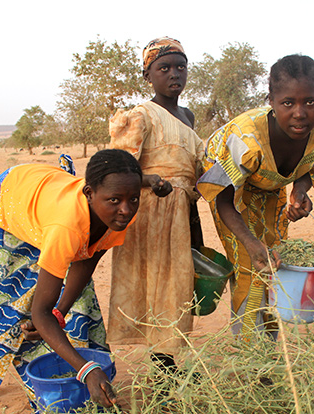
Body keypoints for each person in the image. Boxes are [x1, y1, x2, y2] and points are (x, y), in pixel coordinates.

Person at [0, 150, 142, 414]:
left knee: (80, 301)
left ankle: (85, 384)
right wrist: (86, 370)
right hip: (9, 199)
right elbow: (39, 312)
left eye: (133, 199)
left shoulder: (117, 215)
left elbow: (87, 259)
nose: (126, 209)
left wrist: (59, 313)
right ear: (89, 193)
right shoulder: (65, 229)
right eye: (115, 200)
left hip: (50, 201)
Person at [197, 54, 314, 340]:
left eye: (310, 102)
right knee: (250, 264)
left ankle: (270, 341)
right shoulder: (246, 138)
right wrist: (249, 241)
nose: (300, 113)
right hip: (230, 189)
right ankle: (251, 354)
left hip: (268, 184)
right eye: (288, 103)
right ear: (271, 100)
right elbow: (224, 199)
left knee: (275, 260)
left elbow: (309, 168)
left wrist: (299, 192)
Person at [107, 37, 204, 376]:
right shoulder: (141, 115)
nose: (173, 74)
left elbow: (196, 169)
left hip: (182, 212)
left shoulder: (188, 116)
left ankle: (168, 366)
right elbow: (118, 169)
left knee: (177, 289)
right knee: (156, 287)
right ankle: (164, 373)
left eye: (180, 67)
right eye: (164, 68)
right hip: (152, 212)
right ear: (148, 75)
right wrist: (149, 181)